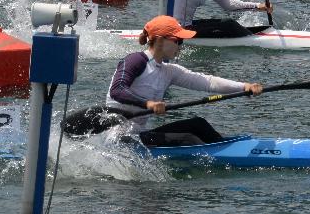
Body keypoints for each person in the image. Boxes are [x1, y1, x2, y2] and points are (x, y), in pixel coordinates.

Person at [106, 15, 263, 146]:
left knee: (198, 124)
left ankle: (228, 150)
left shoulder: (169, 71)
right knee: (188, 139)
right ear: (160, 40)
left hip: (139, 133)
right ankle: (222, 156)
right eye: (178, 41)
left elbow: (208, 82)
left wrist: (244, 86)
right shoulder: (136, 60)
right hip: (120, 138)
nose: (181, 46)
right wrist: (148, 104)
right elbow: (117, 89)